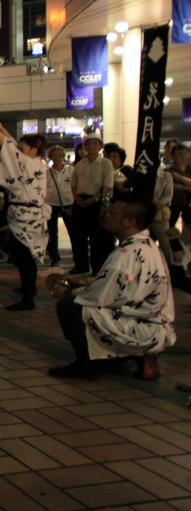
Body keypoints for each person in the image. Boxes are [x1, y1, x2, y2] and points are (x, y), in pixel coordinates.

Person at [49, 192, 176, 381]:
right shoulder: (147, 245)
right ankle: (117, 361)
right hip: (155, 322)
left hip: (140, 325)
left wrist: (68, 291)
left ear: (130, 221)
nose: (106, 214)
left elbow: (99, 297)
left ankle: (87, 365)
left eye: (113, 213)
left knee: (70, 305)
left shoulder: (125, 254)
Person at [0, 122, 50, 311]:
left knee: (24, 256)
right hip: (25, 213)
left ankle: (28, 297)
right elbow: (11, 145)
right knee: (22, 256)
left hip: (26, 215)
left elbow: (10, 148)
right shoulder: (34, 163)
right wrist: (1, 127)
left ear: (33, 150)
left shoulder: (31, 164)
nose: (19, 151)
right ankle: (28, 291)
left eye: (23, 149)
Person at [70, 133, 114, 275]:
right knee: (78, 237)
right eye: (88, 144)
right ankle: (81, 265)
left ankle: (97, 267)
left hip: (97, 202)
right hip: (80, 202)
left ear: (100, 146)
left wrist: (94, 198)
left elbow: (108, 185)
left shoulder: (106, 163)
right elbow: (73, 184)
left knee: (97, 238)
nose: (91, 146)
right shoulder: (79, 164)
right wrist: (76, 198)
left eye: (95, 144)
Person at [46, 146, 75, 267]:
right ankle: (54, 257)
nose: (57, 158)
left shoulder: (71, 171)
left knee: (73, 232)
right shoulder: (46, 173)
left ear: (63, 157)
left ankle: (77, 255)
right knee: (52, 233)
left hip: (68, 203)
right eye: (54, 155)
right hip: (51, 203)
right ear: (50, 157)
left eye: (60, 155)